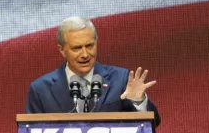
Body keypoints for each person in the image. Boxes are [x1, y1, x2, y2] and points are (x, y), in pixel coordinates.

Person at [26, 16, 160, 127]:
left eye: (89, 45)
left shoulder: (121, 79)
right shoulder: (41, 89)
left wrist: (139, 102)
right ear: (62, 50)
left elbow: (151, 125)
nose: (85, 54)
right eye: (77, 48)